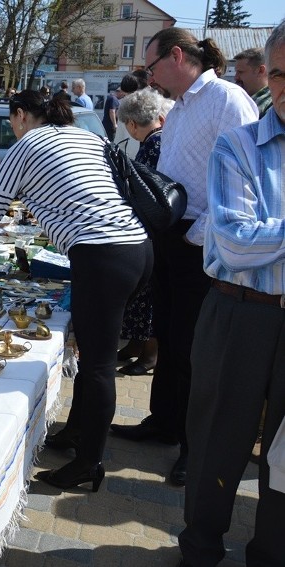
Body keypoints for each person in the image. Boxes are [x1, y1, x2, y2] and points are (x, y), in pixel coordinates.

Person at [0, 90, 152, 492]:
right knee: (90, 350)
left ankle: (89, 464)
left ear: (20, 116)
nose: (12, 127)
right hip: (136, 248)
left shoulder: (27, 144)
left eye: (11, 120)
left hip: (103, 256)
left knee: (100, 365)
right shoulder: (87, 134)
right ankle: (75, 434)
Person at [109, 27, 258, 487]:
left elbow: (247, 179)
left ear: (177, 56)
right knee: (171, 338)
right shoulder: (184, 104)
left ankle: (196, 448)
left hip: (203, 246)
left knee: (197, 351)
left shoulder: (227, 100)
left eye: (152, 68)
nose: (149, 79)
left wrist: (199, 235)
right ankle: (165, 422)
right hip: (173, 237)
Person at [179, 21, 285, 567]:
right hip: (240, 310)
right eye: (283, 74)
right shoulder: (239, 143)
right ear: (268, 76)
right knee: (219, 437)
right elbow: (237, 241)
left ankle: (270, 552)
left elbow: (259, 234)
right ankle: (200, 549)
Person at [114, 89, 174, 376]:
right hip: (152, 228)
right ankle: (136, 346)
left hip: (155, 230)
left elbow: (146, 188)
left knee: (148, 295)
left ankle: (149, 354)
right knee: (140, 295)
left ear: (133, 124)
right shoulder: (156, 140)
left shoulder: (154, 144)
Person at [233, 46, 271, 117]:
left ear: (261, 70)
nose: (236, 77)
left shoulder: (274, 106)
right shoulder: (240, 99)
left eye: (240, 72)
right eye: (236, 72)